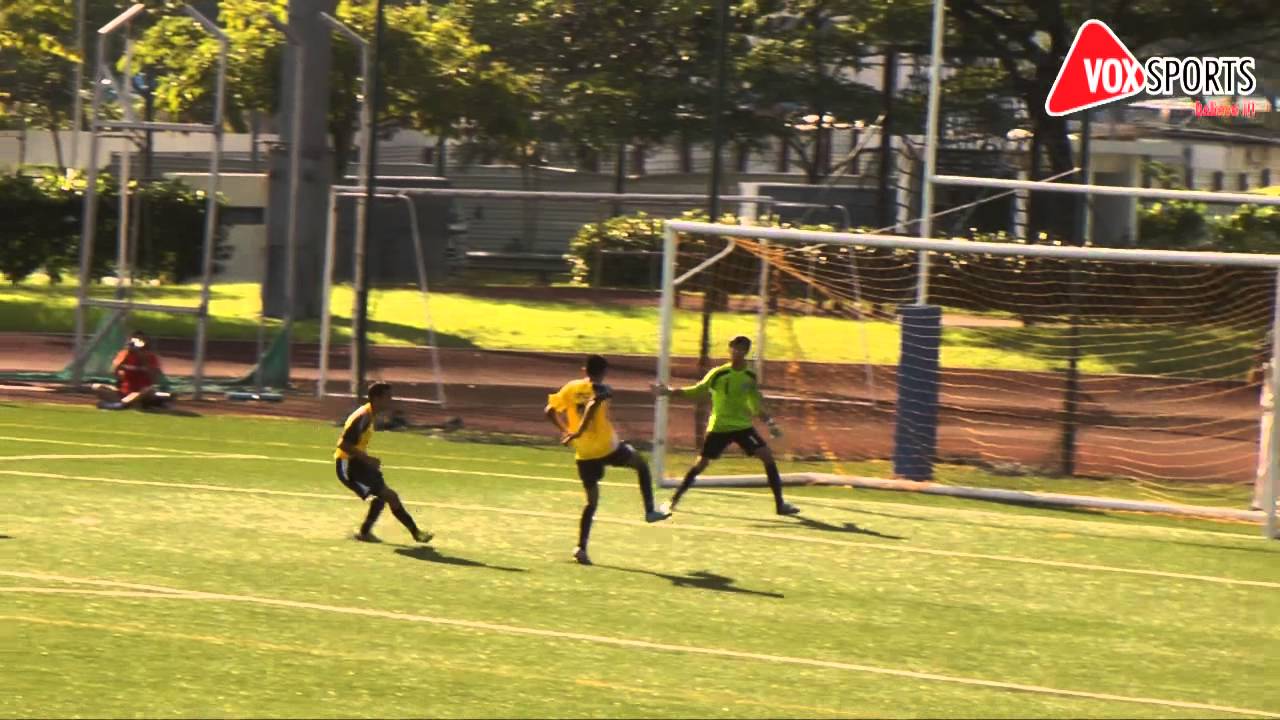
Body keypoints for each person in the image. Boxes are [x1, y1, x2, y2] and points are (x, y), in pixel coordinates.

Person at [653, 335, 800, 517]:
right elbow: (698, 389)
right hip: (719, 427)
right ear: (729, 349)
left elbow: (755, 404)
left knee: (767, 457)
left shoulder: (750, 376)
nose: (738, 352)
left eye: (742, 349)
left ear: (747, 352)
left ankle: (780, 505)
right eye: (735, 348)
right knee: (701, 464)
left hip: (742, 427)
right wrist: (669, 392)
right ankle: (672, 501)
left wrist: (770, 423)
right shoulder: (718, 373)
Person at [546, 354, 669, 566]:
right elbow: (593, 406)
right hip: (607, 447)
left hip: (583, 452)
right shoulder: (604, 389)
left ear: (584, 369)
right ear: (604, 371)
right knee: (640, 463)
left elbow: (548, 411)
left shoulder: (570, 388)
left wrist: (567, 432)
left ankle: (581, 548)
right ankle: (649, 510)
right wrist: (580, 430)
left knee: (591, 502)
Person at [335, 382, 434, 545]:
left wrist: (367, 461)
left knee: (383, 496)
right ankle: (416, 533)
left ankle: (365, 533)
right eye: (388, 397)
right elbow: (343, 444)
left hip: (359, 464)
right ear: (376, 398)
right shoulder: (363, 416)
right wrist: (368, 459)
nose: (391, 400)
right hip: (348, 466)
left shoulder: (370, 414)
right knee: (389, 495)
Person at [93, 331, 172, 410]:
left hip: (141, 392)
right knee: (97, 387)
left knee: (148, 391)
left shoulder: (150, 356)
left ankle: (120, 405)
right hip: (124, 392)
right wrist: (125, 357)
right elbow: (114, 372)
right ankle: (129, 403)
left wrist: (141, 357)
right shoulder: (124, 354)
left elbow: (153, 377)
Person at [1250, 345, 1275, 512]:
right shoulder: (1271, 362)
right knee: (1266, 459)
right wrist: (1259, 361)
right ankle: (1260, 501)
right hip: (1272, 413)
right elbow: (1253, 379)